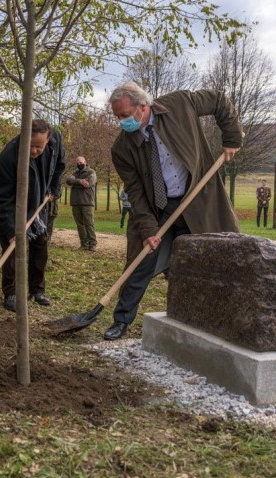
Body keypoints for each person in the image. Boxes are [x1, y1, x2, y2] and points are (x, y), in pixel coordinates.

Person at [103, 82, 242, 341]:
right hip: (159, 207)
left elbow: (219, 100)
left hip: (198, 198)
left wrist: (232, 137)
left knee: (209, 258)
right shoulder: (122, 148)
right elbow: (135, 192)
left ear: (143, 106)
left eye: (124, 115)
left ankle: (220, 317)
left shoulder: (180, 104)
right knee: (140, 262)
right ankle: (121, 320)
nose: (121, 122)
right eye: (117, 117)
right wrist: (147, 229)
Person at [0, 119, 65, 312]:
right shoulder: (8, 158)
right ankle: (11, 293)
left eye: (38, 147)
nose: (33, 151)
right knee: (12, 248)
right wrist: (10, 230)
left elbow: (59, 165)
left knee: (40, 243)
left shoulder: (55, 142)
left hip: (39, 200)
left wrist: (54, 189)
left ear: (48, 140)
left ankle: (37, 290)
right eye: (30, 146)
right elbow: (1, 199)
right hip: (13, 205)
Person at [66, 156, 97, 251]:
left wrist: (75, 183)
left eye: (81, 162)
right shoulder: (74, 173)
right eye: (77, 163)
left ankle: (93, 244)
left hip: (87, 202)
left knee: (89, 223)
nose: (79, 164)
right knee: (80, 224)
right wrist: (80, 181)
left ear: (85, 162)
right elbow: (68, 180)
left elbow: (88, 184)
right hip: (75, 202)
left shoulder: (91, 172)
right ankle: (84, 244)